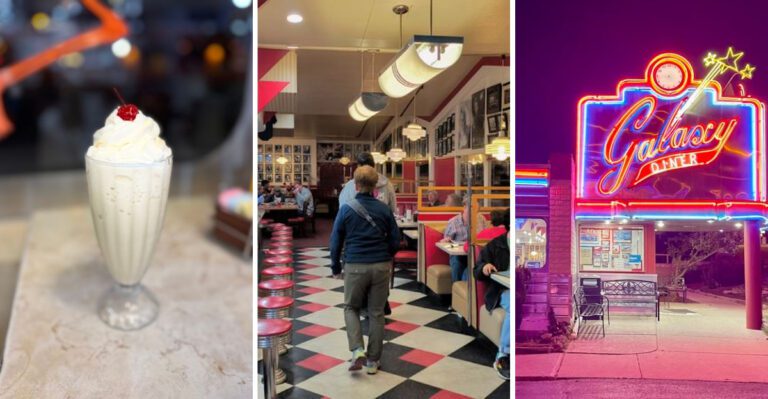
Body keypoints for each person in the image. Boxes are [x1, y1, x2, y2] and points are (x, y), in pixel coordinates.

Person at [330, 166, 400, 375]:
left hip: (355, 265)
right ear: (376, 186)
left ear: (356, 185)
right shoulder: (384, 209)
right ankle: (373, 361)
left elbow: (335, 241)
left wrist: (335, 266)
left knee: (351, 307)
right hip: (380, 266)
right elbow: (396, 241)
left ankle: (357, 349)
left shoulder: (346, 209)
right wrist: (384, 255)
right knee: (376, 312)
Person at [474, 214, 511, 381]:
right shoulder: (495, 245)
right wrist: (484, 267)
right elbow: (477, 270)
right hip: (500, 291)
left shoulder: (527, 244)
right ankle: (502, 356)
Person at [441, 203, 486, 281]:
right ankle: (456, 288)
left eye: (475, 210)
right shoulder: (453, 222)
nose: (473, 212)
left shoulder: (481, 219)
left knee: (473, 268)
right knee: (457, 264)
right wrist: (446, 240)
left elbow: (485, 236)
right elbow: (445, 241)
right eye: (471, 208)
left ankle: (466, 290)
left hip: (475, 254)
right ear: (464, 208)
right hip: (458, 255)